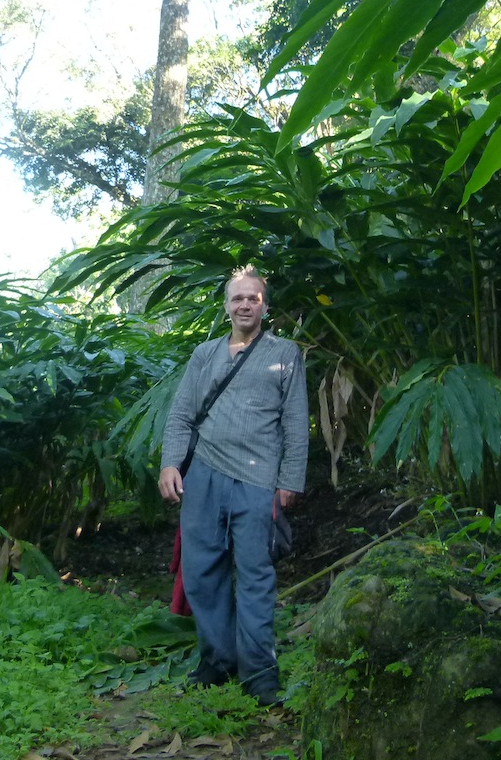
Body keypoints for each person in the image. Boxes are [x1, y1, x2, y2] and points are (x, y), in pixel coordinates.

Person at [158, 265, 308, 706]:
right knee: (203, 573)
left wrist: (289, 480)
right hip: (202, 475)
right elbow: (182, 415)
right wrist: (171, 464)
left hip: (258, 479)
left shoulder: (285, 353)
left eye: (253, 299)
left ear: (265, 305)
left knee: (256, 575)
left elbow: (296, 424)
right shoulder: (203, 355)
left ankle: (260, 673)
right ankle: (217, 662)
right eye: (237, 298)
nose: (245, 305)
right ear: (226, 306)